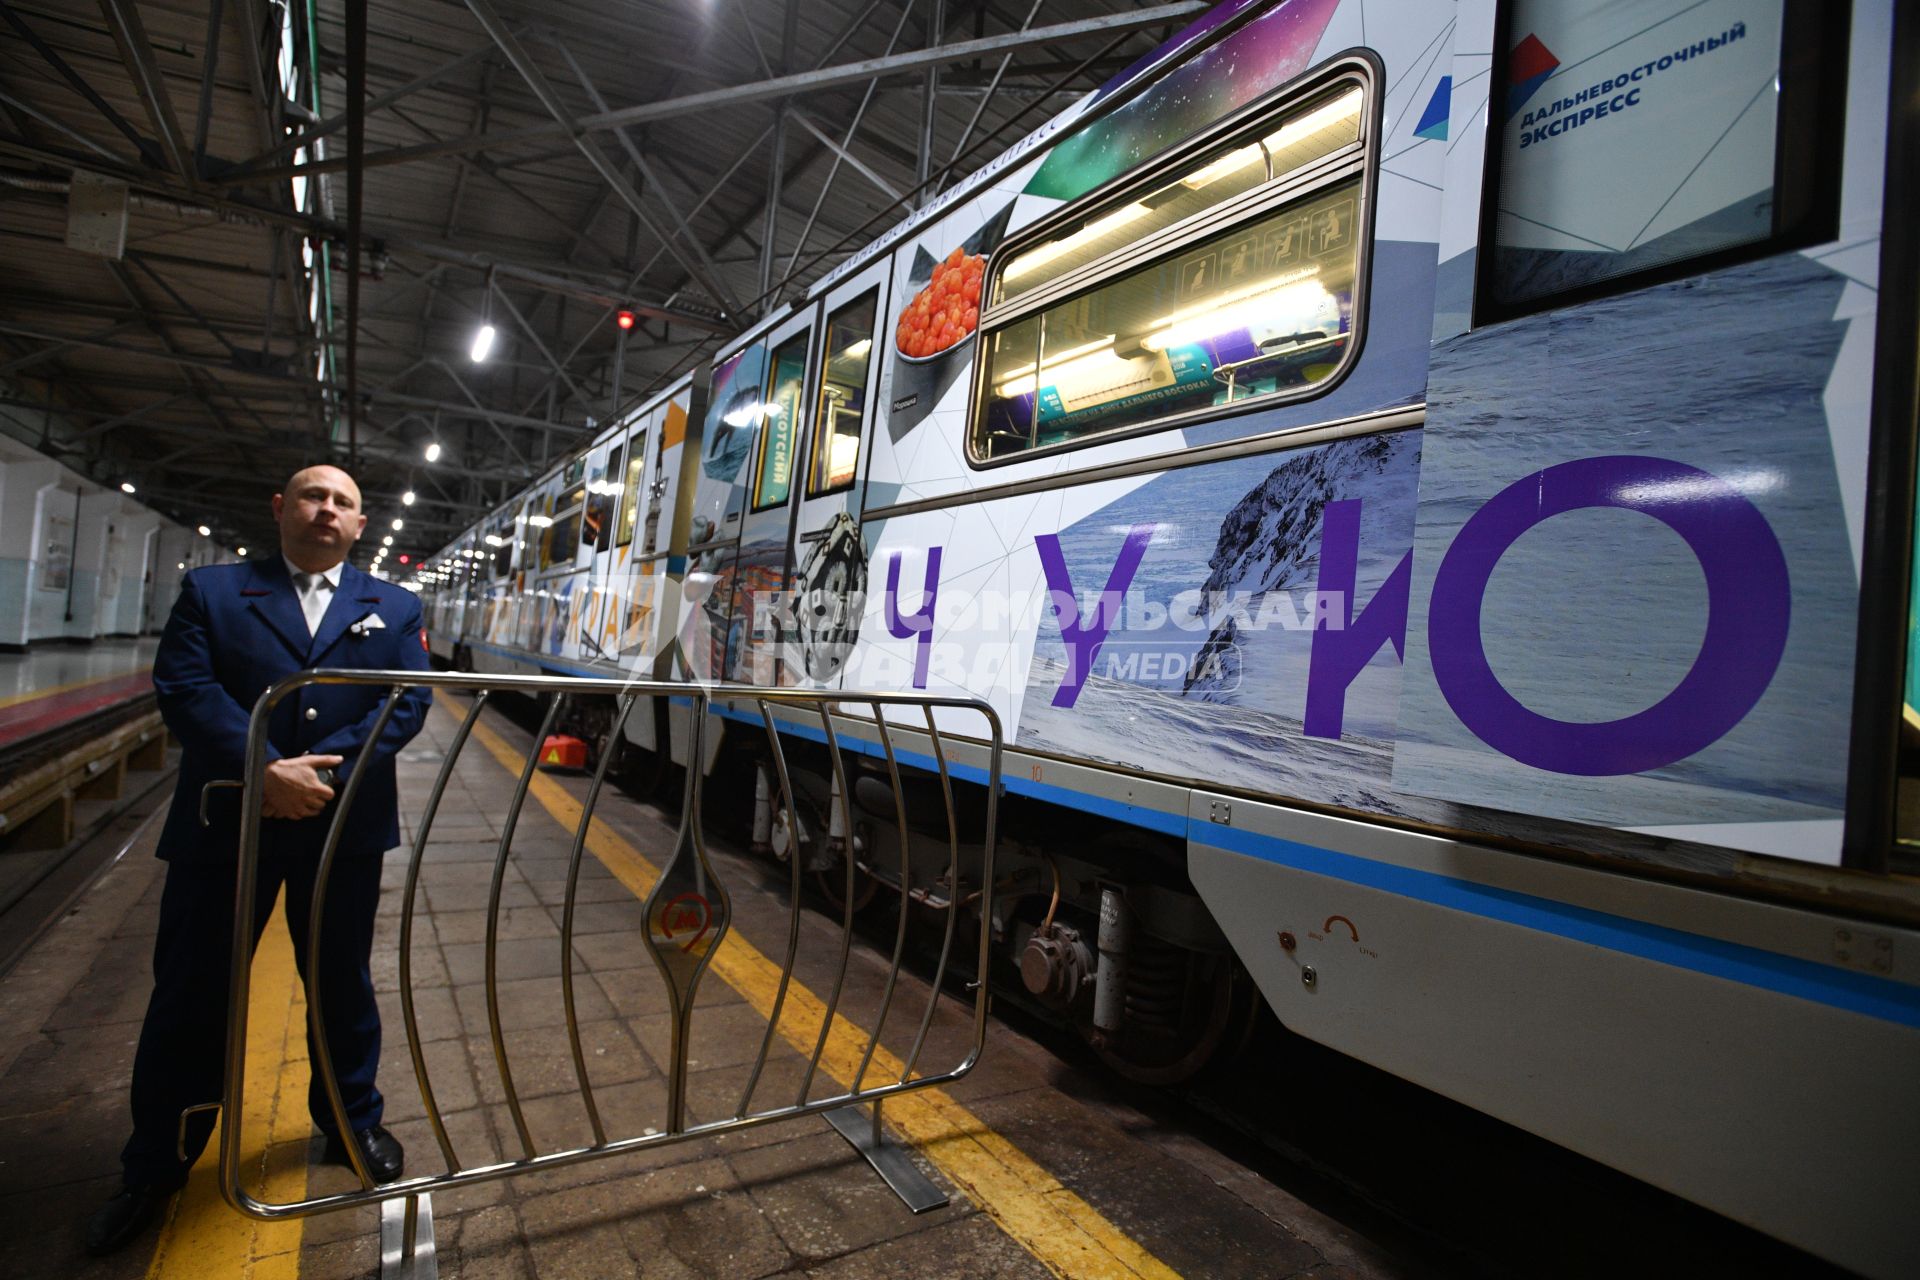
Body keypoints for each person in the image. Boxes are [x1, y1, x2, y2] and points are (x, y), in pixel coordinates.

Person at [86, 465, 433, 1256]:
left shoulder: (396, 604)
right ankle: (156, 1163)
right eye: (313, 497)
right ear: (280, 508)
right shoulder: (214, 592)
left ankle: (352, 1130)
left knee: (340, 984)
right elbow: (184, 686)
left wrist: (316, 774)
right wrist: (263, 769)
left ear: (360, 523)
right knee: (191, 992)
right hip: (226, 830)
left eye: (343, 502)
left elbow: (405, 700)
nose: (327, 511)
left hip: (340, 828)